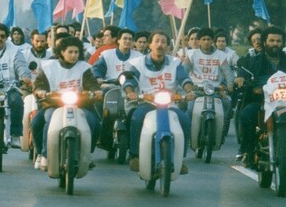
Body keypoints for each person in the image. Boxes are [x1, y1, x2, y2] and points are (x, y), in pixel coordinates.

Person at [122, 30, 194, 174]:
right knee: (136, 118)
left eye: (164, 42)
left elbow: (184, 78)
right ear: (150, 44)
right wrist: (130, 92)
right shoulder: (137, 63)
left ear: (168, 46)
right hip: (146, 103)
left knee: (184, 120)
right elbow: (128, 79)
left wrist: (189, 91)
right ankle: (135, 156)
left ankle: (181, 159)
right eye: (157, 41)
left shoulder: (175, 63)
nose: (160, 45)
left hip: (169, 104)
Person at [31, 36, 102, 170]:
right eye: (70, 52)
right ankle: (42, 154)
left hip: (80, 105)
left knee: (94, 122)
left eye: (76, 52)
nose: (74, 55)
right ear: (62, 52)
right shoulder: (48, 66)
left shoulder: (84, 67)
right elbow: (38, 84)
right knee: (37, 123)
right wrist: (40, 91)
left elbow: (92, 83)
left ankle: (87, 153)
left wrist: (96, 91)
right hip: (53, 104)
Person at [234, 25, 286, 168]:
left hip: (284, 102)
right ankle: (248, 150)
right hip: (261, 101)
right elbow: (244, 71)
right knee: (246, 114)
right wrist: (241, 79)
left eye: (278, 41)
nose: (275, 44)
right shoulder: (254, 60)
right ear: (264, 42)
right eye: (272, 40)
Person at [91, 28, 143, 149]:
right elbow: (96, 69)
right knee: (100, 102)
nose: (127, 41)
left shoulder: (139, 57)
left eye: (130, 39)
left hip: (132, 89)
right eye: (124, 38)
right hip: (110, 86)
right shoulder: (107, 55)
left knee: (136, 111)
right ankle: (102, 131)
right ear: (118, 40)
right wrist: (98, 77)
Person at [182, 27, 234, 141]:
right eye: (203, 39)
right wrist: (186, 86)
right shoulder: (191, 54)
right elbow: (184, 71)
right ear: (199, 41)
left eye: (209, 39)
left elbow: (228, 73)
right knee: (190, 110)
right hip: (196, 90)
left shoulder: (221, 55)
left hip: (215, 90)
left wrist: (229, 85)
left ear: (213, 41)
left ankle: (221, 130)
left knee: (226, 102)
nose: (206, 42)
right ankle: (186, 135)